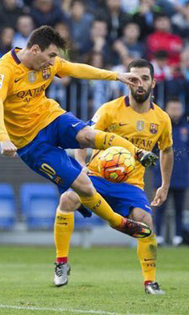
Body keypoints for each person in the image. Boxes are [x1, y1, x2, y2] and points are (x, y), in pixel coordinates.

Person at [0, 26, 158, 242]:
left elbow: (76, 69)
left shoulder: (50, 62)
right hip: (30, 143)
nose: (53, 62)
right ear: (35, 49)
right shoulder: (5, 69)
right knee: (83, 186)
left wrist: (116, 76)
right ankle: (118, 222)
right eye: (51, 56)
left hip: (51, 118)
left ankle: (137, 152)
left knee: (87, 135)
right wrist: (3, 138)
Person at [52, 59, 173, 295]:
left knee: (146, 221)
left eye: (145, 79)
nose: (140, 84)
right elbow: (83, 135)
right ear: (128, 80)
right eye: (135, 78)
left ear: (153, 83)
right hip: (97, 175)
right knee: (67, 200)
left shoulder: (161, 119)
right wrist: (80, 164)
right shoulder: (109, 109)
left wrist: (164, 185)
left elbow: (166, 150)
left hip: (131, 184)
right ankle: (61, 263)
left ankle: (150, 282)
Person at [154, 98, 189, 247]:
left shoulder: (186, 127)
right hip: (161, 176)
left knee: (179, 207)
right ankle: (158, 236)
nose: (175, 111)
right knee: (159, 206)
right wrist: (154, 167)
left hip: (182, 175)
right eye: (172, 108)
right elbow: (152, 149)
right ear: (167, 109)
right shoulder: (159, 126)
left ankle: (178, 237)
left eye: (177, 108)